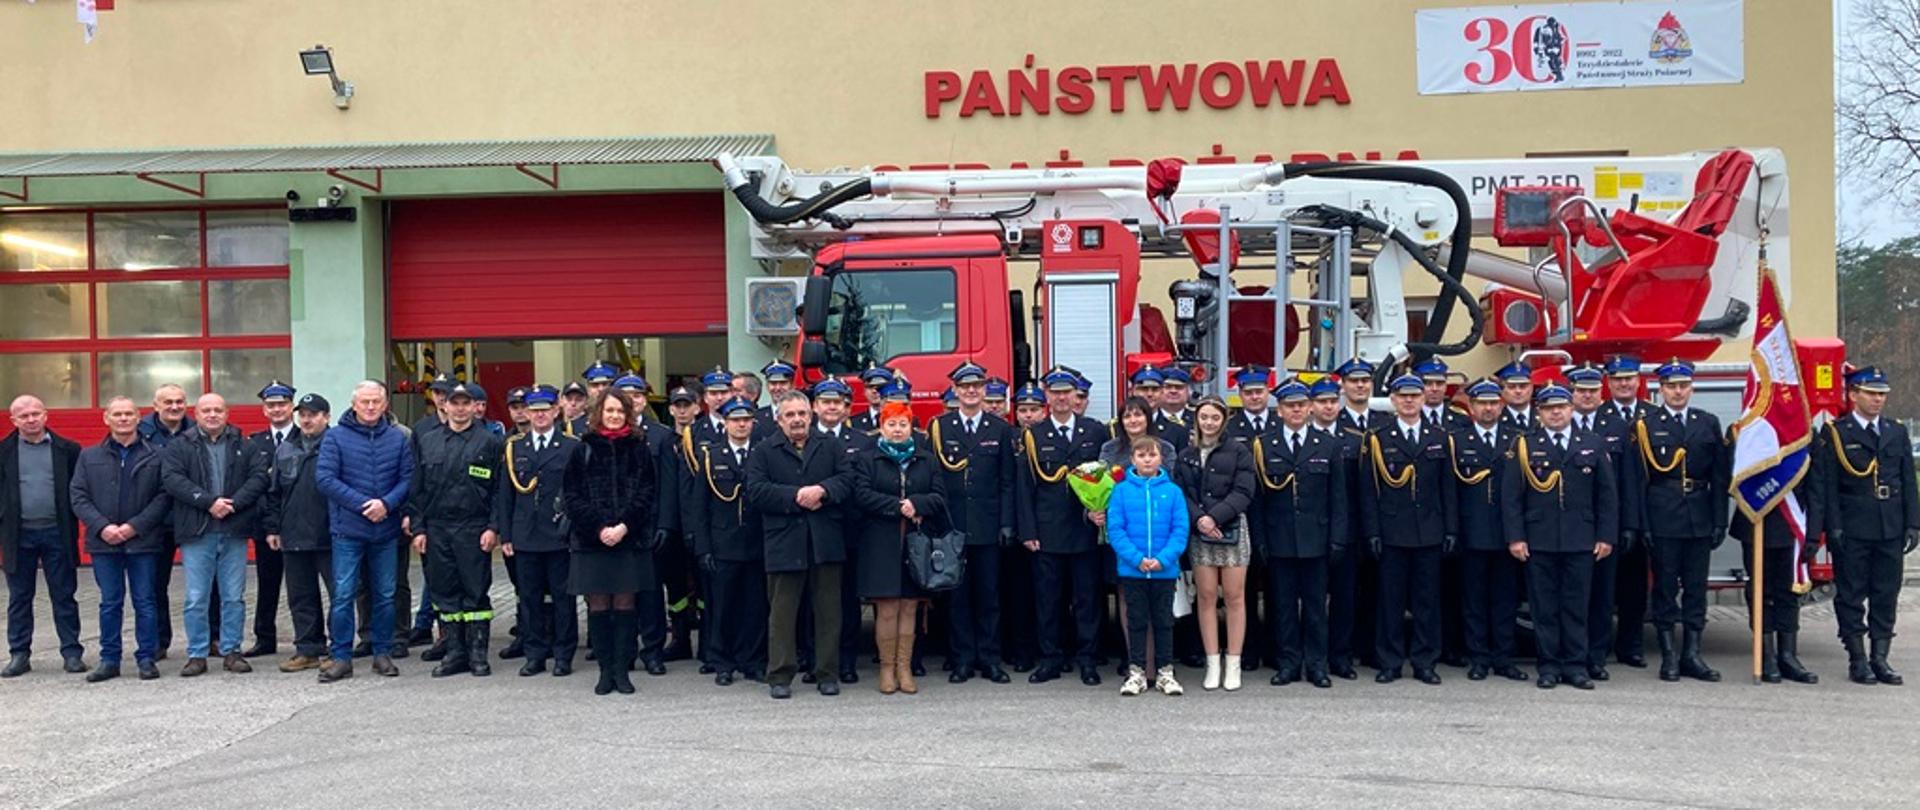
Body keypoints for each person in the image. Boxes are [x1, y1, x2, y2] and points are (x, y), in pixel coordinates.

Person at [1622, 359, 1730, 683]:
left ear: (1691, 388)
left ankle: (1692, 655)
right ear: (1661, 389)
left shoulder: (1708, 422)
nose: (1678, 391)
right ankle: (1669, 656)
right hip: (1663, 514)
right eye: (1671, 386)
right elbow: (1638, 480)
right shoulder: (1645, 425)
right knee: (1666, 589)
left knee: (1696, 589)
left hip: (1699, 515)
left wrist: (1719, 521)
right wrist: (1643, 524)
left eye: (1683, 385)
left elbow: (1719, 476)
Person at [1504, 384, 1616, 690]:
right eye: (1549, 408)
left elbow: (1606, 496)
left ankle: (1576, 666)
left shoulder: (1593, 444)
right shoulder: (1525, 445)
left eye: (1562, 407)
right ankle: (1549, 666)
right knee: (1544, 608)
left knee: (1576, 606)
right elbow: (1512, 497)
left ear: (1571, 409)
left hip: (1582, 539)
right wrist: (1516, 537)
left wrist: (1606, 536)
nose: (1556, 412)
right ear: (1539, 412)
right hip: (1538, 540)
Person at [1810, 366, 1917, 685]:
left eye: (1882, 394)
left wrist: (1913, 523)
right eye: (1871, 393)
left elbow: (1908, 480)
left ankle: (1880, 657)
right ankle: (1857, 658)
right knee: (1852, 595)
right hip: (1853, 526)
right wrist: (1833, 527)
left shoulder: (1895, 431)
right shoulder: (1836, 433)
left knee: (1886, 593)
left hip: (1890, 525)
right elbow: (1826, 486)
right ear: (1853, 395)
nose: (1878, 400)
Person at [746, 391, 855, 699]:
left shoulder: (831, 446)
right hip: (784, 541)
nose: (797, 420)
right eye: (790, 415)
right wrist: (796, 496)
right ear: (779, 420)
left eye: (802, 414)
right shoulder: (763, 451)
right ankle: (780, 675)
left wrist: (822, 490)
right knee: (782, 614)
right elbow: (756, 491)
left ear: (812, 416)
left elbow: (847, 479)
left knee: (828, 612)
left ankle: (827, 673)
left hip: (825, 541)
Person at [160, 393, 270, 677]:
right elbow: (172, 479)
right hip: (197, 532)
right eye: (206, 410)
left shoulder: (244, 446)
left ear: (227, 412)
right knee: (196, 596)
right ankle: (197, 653)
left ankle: (231, 651)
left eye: (217, 410)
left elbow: (259, 478)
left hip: (234, 530)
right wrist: (208, 501)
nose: (212, 415)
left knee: (234, 596)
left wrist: (234, 503)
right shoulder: (179, 446)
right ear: (196, 413)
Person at [1360, 374, 1458, 685]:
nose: (1409, 401)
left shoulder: (1440, 437)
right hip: (1391, 532)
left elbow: (1448, 489)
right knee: (1390, 602)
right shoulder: (1378, 438)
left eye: (1414, 396)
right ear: (1393, 401)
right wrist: (1372, 531)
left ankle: (1424, 661)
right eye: (1403, 396)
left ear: (1423, 399)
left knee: (1427, 602)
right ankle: (1389, 661)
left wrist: (1451, 529)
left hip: (1429, 531)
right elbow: (1369, 491)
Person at [1018, 367, 1112, 686]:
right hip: (1047, 531)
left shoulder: (1095, 431)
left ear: (1076, 396)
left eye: (1066, 392)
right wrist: (1028, 531)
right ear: (1047, 397)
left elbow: (1106, 479)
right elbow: (1025, 487)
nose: (1061, 398)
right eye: (1055, 393)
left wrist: (1101, 514)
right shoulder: (1034, 434)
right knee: (1049, 600)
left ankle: (1087, 659)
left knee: (1087, 598)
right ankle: (1051, 659)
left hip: (1085, 529)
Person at [315, 381, 413, 683]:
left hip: (386, 529)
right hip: (348, 529)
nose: (370, 407)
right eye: (365, 402)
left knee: (385, 594)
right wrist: (363, 505)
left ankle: (382, 653)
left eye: (376, 402)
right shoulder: (335, 437)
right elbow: (325, 478)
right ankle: (341, 657)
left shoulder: (398, 439)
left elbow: (408, 478)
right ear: (354, 404)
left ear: (385, 405)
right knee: (344, 594)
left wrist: (386, 503)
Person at [563, 387, 658, 696]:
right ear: (599, 414)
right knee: (599, 606)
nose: (615, 416)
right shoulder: (583, 448)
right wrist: (600, 528)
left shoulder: (639, 447)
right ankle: (605, 671)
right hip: (593, 542)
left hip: (629, 541)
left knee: (626, 605)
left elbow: (647, 493)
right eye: (609, 411)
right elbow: (572, 495)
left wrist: (624, 526)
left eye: (620, 411)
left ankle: (622, 669)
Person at [407, 382, 506, 678]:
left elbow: (498, 490)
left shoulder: (489, 442)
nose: (460, 409)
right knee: (445, 592)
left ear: (475, 407)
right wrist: (419, 529)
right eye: (455, 403)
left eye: (466, 403)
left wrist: (493, 527)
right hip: (437, 528)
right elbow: (417, 490)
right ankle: (454, 652)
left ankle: (477, 654)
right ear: (444, 406)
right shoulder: (427, 441)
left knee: (475, 592)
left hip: (474, 527)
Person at [1253, 381, 1347, 689]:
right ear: (1279, 410)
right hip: (1279, 540)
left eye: (1301, 404)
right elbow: (1259, 501)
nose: (1296, 410)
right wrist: (1261, 540)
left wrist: (1337, 538)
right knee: (1282, 607)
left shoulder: (1328, 445)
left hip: (1316, 540)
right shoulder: (1264, 445)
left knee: (1316, 607)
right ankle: (1288, 664)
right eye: (1289, 405)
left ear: (1309, 408)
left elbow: (1338, 498)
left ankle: (1317, 665)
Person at [69, 397, 171, 682]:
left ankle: (147, 658)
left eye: (128, 414)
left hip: (143, 541)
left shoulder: (156, 455)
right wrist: (103, 527)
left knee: (145, 601)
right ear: (107, 418)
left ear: (139, 417)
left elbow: (163, 497)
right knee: (110, 602)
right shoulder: (88, 456)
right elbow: (78, 496)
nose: (124, 419)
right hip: (104, 543)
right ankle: (109, 659)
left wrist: (133, 527)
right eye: (118, 414)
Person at [851, 401, 949, 694]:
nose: (897, 430)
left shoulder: (926, 459)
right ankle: (886, 669)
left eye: (902, 425)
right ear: (882, 427)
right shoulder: (868, 459)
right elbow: (862, 495)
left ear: (911, 428)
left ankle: (904, 667)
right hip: (880, 542)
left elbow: (939, 496)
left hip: (915, 543)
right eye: (891, 424)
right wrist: (898, 507)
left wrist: (917, 504)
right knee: (888, 608)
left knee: (910, 607)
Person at [929, 361, 1017, 684]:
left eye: (977, 386)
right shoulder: (941, 427)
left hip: (988, 526)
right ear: (955, 390)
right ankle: (962, 659)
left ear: (983, 390)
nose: (970, 391)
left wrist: (1007, 523)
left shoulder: (1000, 429)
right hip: (953, 526)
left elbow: (1007, 481)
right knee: (958, 598)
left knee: (989, 597)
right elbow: (934, 479)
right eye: (965, 386)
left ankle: (990, 659)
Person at [1, 395, 85, 679]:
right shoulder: (3, 452)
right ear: (13, 420)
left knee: (64, 594)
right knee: (19, 597)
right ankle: (19, 654)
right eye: (23, 416)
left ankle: (72, 652)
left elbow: (79, 490)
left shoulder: (68, 450)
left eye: (35, 413)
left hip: (56, 533)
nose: (31, 419)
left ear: (46, 415)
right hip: (18, 534)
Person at [499, 385, 580, 677]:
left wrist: (573, 531)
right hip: (525, 535)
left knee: (563, 598)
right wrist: (506, 535)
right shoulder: (514, 447)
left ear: (556, 411)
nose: (540, 415)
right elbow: (505, 495)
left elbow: (576, 492)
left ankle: (563, 654)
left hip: (559, 535)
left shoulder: (571, 446)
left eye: (545, 409)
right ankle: (535, 654)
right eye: (534, 410)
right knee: (529, 598)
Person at [1176, 397, 1256, 691]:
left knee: (1235, 597)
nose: (1209, 423)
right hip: (1201, 531)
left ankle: (1233, 663)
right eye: (1204, 417)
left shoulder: (1239, 451)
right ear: (1197, 419)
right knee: (1207, 597)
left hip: (1232, 529)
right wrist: (1200, 519)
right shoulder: (1187, 454)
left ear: (1224, 420)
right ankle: (1213, 662)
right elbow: (1181, 492)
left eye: (1215, 418)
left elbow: (1244, 491)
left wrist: (1216, 518)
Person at [1451, 379, 1527, 683]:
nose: (1488, 408)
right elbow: (1452, 492)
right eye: (1482, 403)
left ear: (1502, 404)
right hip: (1472, 533)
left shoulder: (1517, 439)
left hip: (1507, 533)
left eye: (1494, 402)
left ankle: (1504, 658)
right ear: (1471, 406)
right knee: (1474, 600)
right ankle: (1479, 657)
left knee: (1506, 599)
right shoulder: (1458, 440)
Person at [689, 397, 767, 685]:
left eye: (746, 419)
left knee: (755, 607)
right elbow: (700, 507)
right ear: (725, 423)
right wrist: (703, 548)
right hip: (723, 545)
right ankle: (722, 662)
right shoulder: (711, 456)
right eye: (735, 420)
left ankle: (754, 661)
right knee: (722, 608)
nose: (741, 424)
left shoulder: (761, 453)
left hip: (756, 543)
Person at [1107, 436, 1189, 697]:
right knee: (1137, 621)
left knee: (1164, 621)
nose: (1147, 460)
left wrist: (1164, 559)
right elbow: (1116, 530)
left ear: (1160, 458)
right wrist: (1136, 558)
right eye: (1141, 456)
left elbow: (1180, 529)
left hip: (1164, 570)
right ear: (1132, 460)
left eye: (1152, 455)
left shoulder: (1173, 491)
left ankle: (1165, 671)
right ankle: (1137, 672)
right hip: (1133, 570)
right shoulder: (1121, 491)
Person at [261, 393, 335, 674]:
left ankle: (337, 648)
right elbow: (274, 493)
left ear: (326, 417)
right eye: (302, 414)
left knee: (338, 596)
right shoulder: (286, 449)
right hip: (293, 535)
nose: (306, 419)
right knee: (301, 596)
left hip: (330, 534)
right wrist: (273, 528)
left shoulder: (336, 445)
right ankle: (308, 649)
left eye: (313, 414)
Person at [1568, 363, 1632, 682]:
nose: (1588, 396)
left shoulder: (1617, 425)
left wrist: (1628, 524)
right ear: (1572, 394)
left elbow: (1627, 481)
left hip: (1606, 524)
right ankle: (1573, 655)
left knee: (1602, 596)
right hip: (1570, 524)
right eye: (1581, 391)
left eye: (1593, 391)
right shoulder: (1559, 425)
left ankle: (1596, 657)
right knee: (1575, 595)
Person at [812, 377, 875, 685]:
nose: (832, 407)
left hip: (850, 531)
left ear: (847, 407)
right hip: (812, 530)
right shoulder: (803, 438)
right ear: (816, 406)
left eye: (837, 402)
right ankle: (815, 661)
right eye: (826, 402)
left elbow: (863, 485)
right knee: (814, 600)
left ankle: (846, 661)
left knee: (848, 601)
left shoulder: (862, 441)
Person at [1329, 359, 1380, 678]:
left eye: (1365, 381)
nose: (1360, 386)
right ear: (1343, 387)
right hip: (1344, 522)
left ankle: (1372, 648)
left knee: (1376, 590)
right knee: (1344, 594)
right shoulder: (1335, 420)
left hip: (1377, 521)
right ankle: (1342, 653)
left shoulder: (1384, 421)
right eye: (1353, 381)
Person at [1603, 354, 1652, 668]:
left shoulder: (1654, 415)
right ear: (1608, 382)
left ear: (1638, 380)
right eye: (1618, 378)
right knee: (1605, 587)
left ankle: (1631, 646)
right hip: (1607, 515)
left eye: (1629, 378)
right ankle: (1600, 644)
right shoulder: (1597, 417)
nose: (1624, 383)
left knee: (1635, 586)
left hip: (1647, 512)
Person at [138, 383, 194, 659]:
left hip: (194, 516)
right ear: (155, 405)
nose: (174, 407)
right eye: (168, 402)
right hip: (156, 521)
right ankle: (159, 641)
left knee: (207, 584)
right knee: (155, 584)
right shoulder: (139, 434)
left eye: (180, 402)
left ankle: (214, 638)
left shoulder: (198, 431)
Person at [243, 380, 298, 659]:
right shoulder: (254, 443)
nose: (277, 410)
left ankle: (308, 638)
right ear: (264, 409)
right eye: (271, 405)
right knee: (267, 584)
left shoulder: (306, 436)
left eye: (282, 404)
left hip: (302, 526)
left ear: (292, 407)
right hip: (266, 527)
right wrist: (268, 525)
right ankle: (264, 638)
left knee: (304, 587)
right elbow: (254, 486)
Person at [1001, 381, 1048, 673]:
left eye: (1033, 410)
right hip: (1015, 527)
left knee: (1044, 594)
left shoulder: (1045, 437)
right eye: (1023, 410)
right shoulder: (1009, 438)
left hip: (1044, 527)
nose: (1028, 415)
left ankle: (1045, 648)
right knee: (1016, 594)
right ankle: (1019, 650)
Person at [1496, 361, 1536, 433]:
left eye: (1523, 386)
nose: (1518, 391)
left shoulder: (1544, 418)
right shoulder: (1495, 421)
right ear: (1501, 389)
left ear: (1531, 388)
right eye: (1511, 387)